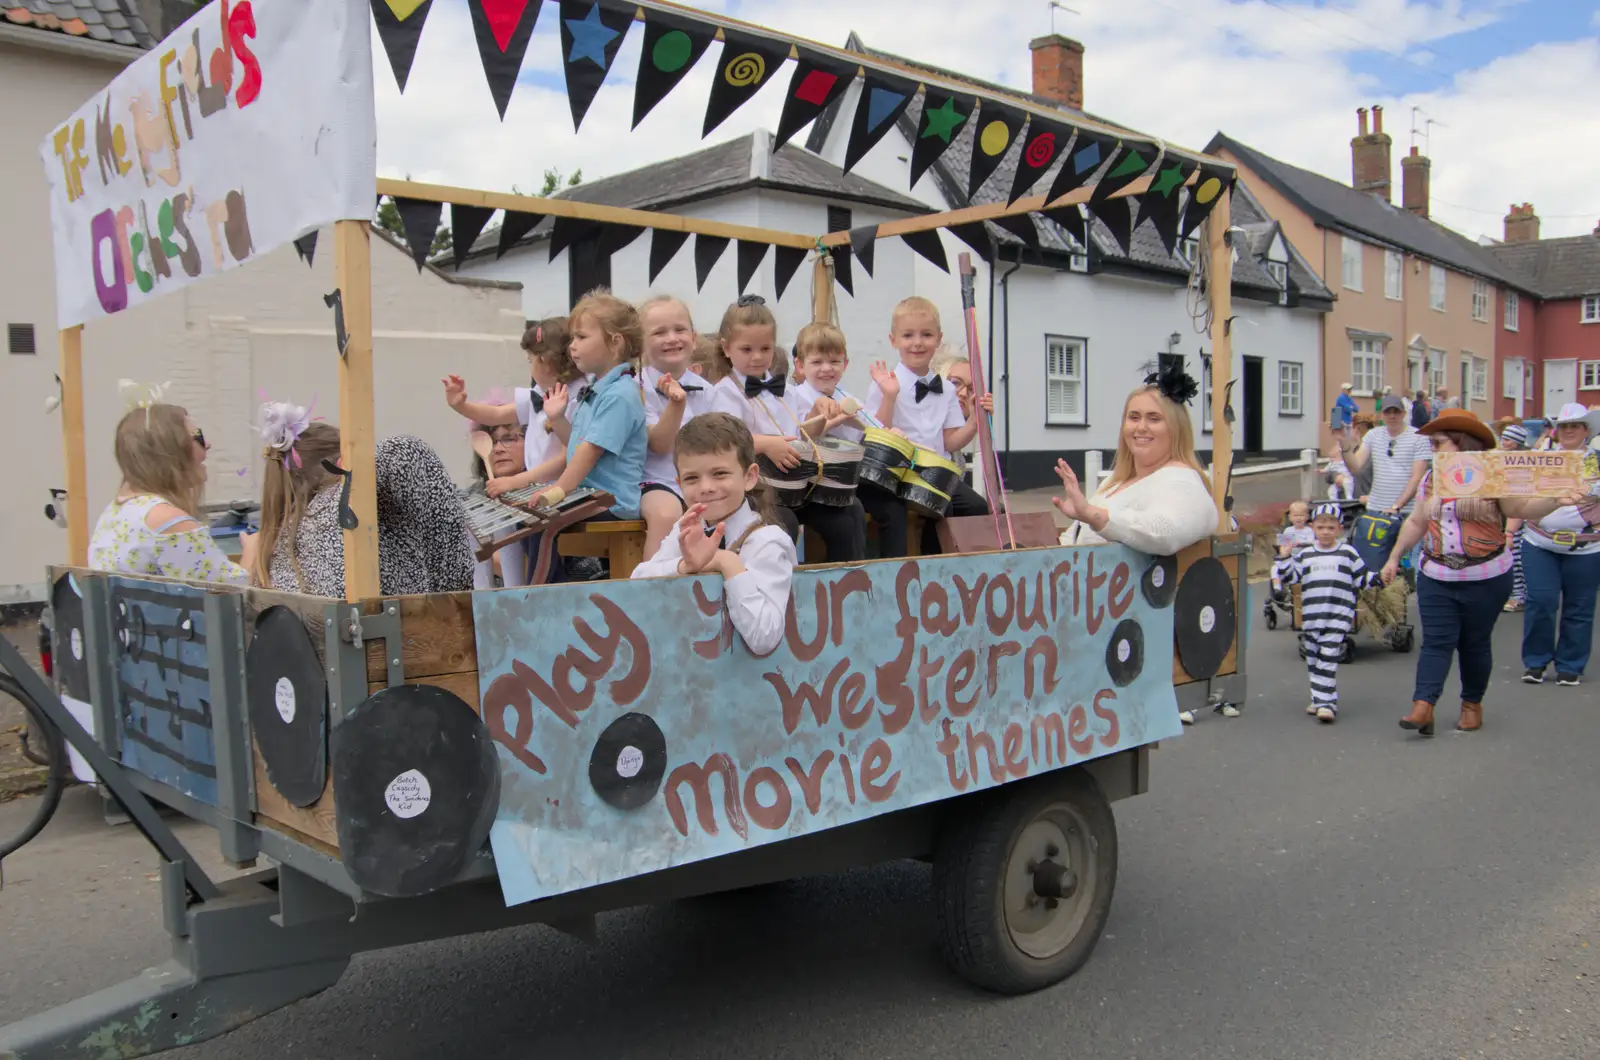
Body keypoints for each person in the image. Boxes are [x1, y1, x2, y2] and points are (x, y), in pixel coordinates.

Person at [1381, 410, 1577, 735]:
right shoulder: (1431, 478)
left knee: (1474, 643)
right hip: (1437, 574)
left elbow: (1519, 510)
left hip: (1486, 575)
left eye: (1438, 442)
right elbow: (1416, 521)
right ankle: (1423, 705)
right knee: (1437, 642)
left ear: (1462, 442)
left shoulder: (1492, 474)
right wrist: (1393, 558)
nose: (1432, 448)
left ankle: (1472, 704)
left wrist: (1556, 500)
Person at [1053, 364, 1219, 722]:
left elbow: (1164, 532)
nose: (1141, 427)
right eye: (1134, 417)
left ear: (1175, 427)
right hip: (1086, 619)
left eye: (1154, 419)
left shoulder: (1182, 479)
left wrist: (1093, 515)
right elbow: (1082, 533)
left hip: (1124, 631)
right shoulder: (1117, 480)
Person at [253, 405, 475, 596]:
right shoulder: (339, 506)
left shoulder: (277, 544)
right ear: (343, 461)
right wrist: (357, 469)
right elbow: (406, 450)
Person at [706, 295, 865, 562]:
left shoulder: (786, 392)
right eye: (747, 349)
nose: (757, 357)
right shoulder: (723, 393)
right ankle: (780, 590)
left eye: (765, 349)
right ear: (726, 347)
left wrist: (817, 416)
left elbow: (801, 436)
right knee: (784, 524)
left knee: (849, 513)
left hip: (796, 487)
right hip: (755, 490)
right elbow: (726, 442)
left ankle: (847, 586)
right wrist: (768, 444)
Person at [632, 413, 796, 656]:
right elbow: (637, 581)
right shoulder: (688, 527)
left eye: (720, 474)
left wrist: (724, 561)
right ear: (679, 483)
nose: (706, 487)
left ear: (749, 476)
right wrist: (684, 566)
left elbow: (764, 638)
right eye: (692, 478)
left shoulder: (768, 540)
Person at [864, 297, 994, 555]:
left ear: (938, 339)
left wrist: (974, 420)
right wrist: (889, 396)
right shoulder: (884, 383)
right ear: (894, 340)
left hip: (936, 473)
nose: (917, 342)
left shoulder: (945, 388)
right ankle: (916, 569)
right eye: (908, 335)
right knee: (932, 507)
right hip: (900, 474)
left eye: (926, 334)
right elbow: (877, 435)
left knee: (977, 507)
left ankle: (955, 566)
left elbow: (950, 441)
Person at [90, 400, 252, 586]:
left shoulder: (115, 512)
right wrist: (253, 552)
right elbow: (234, 594)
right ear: (170, 450)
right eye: (198, 436)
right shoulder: (168, 522)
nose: (207, 444)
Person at [442, 316, 578, 499]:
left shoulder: (576, 398)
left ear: (544, 360)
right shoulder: (538, 395)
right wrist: (461, 405)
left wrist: (516, 481)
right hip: (536, 491)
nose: (530, 367)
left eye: (531, 361)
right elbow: (497, 414)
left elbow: (565, 459)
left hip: (561, 494)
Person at [1519, 403, 1600, 686]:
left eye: (1574, 426)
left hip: (1586, 548)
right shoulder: (1541, 459)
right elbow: (1520, 498)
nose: (1568, 431)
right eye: (1564, 426)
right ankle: (1535, 661)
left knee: (1580, 607)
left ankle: (1570, 664)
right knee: (1541, 601)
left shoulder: (1597, 461)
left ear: (1586, 431)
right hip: (1540, 542)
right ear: (1556, 430)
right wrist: (1509, 532)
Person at [1279, 502, 1382, 722]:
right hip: (1312, 615)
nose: (1325, 532)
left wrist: (1382, 577)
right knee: (1313, 658)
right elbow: (1291, 577)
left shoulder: (1347, 553)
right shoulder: (1306, 554)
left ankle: (1327, 704)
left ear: (1339, 529)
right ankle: (1319, 698)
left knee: (1328, 656)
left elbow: (1362, 578)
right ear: (1312, 528)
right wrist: (1284, 558)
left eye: (1330, 528)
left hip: (1338, 614)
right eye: (1320, 527)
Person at [636, 296, 714, 560]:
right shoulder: (637, 388)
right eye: (659, 332)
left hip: (701, 480)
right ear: (641, 343)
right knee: (666, 514)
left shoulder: (708, 390)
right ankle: (651, 586)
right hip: (652, 479)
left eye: (680, 330)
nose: (672, 338)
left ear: (693, 337)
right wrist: (676, 403)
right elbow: (658, 444)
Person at [1338, 393, 1428, 563]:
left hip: (1408, 512)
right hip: (1376, 509)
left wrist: (1397, 505)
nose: (1392, 416)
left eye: (1396, 411)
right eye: (1388, 412)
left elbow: (1417, 477)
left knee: (1407, 561)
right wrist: (1344, 444)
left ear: (1403, 413)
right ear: (1381, 415)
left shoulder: (1419, 437)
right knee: (1377, 560)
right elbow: (1356, 467)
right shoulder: (1373, 435)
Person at [466, 419, 529, 589]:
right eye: (492, 442)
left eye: (509, 439)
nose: (498, 449)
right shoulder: (470, 498)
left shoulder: (547, 492)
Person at [1498, 423, 1530, 612]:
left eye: (1508, 439)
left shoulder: (1522, 462)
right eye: (1503, 438)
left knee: (1516, 557)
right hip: (1505, 516)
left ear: (1517, 443)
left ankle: (1519, 596)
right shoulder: (1500, 460)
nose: (1504, 442)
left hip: (1520, 517)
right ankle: (1519, 593)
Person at [1271, 500, 1315, 596]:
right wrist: (1282, 548)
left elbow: (1312, 542)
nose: (1298, 518)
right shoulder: (1288, 530)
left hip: (1304, 558)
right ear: (1290, 517)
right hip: (1291, 556)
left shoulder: (1309, 531)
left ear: (1307, 517)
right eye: (1295, 515)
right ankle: (1277, 588)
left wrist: (1300, 543)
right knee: (1275, 567)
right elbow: (1282, 543)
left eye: (1301, 515)